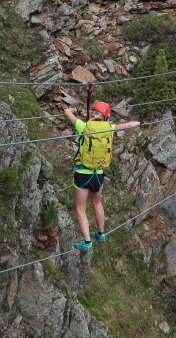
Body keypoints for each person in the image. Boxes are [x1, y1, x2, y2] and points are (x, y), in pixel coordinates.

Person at [64, 102, 141, 251]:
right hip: (98, 174)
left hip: (82, 173)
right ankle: (100, 233)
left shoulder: (84, 126)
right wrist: (142, 123)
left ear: (94, 114)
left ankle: (86, 242)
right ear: (106, 116)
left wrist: (77, 110)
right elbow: (130, 124)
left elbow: (67, 111)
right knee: (97, 203)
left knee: (80, 208)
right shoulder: (109, 128)